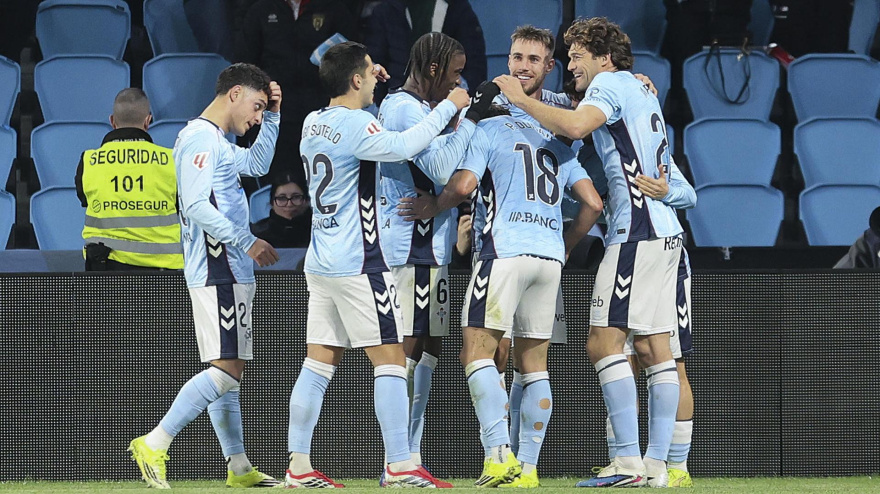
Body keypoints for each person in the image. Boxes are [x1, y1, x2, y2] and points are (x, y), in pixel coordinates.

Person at [494, 17, 686, 488]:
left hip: (635, 230)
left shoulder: (613, 86)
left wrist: (518, 100)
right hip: (667, 234)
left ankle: (626, 462)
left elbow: (577, 125)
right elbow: (572, 107)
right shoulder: (636, 88)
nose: (572, 65)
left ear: (604, 58)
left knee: (603, 343)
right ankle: (658, 466)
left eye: (578, 56)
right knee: (655, 347)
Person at [284, 40, 471, 488]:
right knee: (390, 361)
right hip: (360, 262)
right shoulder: (360, 124)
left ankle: (298, 465)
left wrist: (364, 78)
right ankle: (401, 464)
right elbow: (407, 143)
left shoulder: (313, 121)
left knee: (318, 363)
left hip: (321, 261)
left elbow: (358, 107)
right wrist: (450, 107)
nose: (376, 77)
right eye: (368, 73)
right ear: (355, 79)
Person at [399, 103, 605, 487]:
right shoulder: (557, 141)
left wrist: (434, 206)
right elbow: (593, 203)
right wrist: (564, 244)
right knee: (535, 365)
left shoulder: (490, 127)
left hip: (505, 252)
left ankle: (497, 455)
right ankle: (527, 468)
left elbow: (462, 185)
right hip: (548, 260)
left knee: (475, 352)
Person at [127, 63, 282, 489]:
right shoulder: (199, 137)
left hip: (229, 269)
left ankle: (238, 467)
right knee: (227, 369)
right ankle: (156, 442)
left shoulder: (216, 140)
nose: (255, 117)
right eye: (254, 107)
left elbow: (259, 162)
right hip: (219, 266)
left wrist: (273, 116)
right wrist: (246, 240)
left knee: (228, 371)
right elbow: (195, 204)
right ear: (233, 93)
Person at [375, 32, 483, 477]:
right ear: (434, 69)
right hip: (406, 248)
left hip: (431, 248)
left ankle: (410, 456)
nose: (461, 81)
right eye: (455, 72)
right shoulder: (402, 108)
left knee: (429, 350)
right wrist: (468, 118)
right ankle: (397, 460)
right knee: (405, 351)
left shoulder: (426, 110)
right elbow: (440, 169)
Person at [236, 0, 360, 181]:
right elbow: (245, 65)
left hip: (321, 116)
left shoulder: (333, 8)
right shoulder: (261, 10)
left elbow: (353, 59)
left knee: (320, 185)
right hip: (275, 117)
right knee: (278, 188)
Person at [75, 88, 183, 272]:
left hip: (105, 273)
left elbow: (84, 199)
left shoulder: (89, 161)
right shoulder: (172, 160)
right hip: (162, 276)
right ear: (148, 121)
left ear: (112, 121)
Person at [362, 0, 487, 104]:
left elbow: (474, 64)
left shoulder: (458, 9)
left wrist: (461, 100)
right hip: (398, 100)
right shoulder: (386, 10)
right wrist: (383, 103)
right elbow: (376, 63)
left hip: (446, 105)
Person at [250, 173, 312, 248]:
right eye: (282, 198)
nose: (289, 204)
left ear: (307, 200)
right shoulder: (255, 236)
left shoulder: (321, 232)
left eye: (296, 197)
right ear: (271, 202)